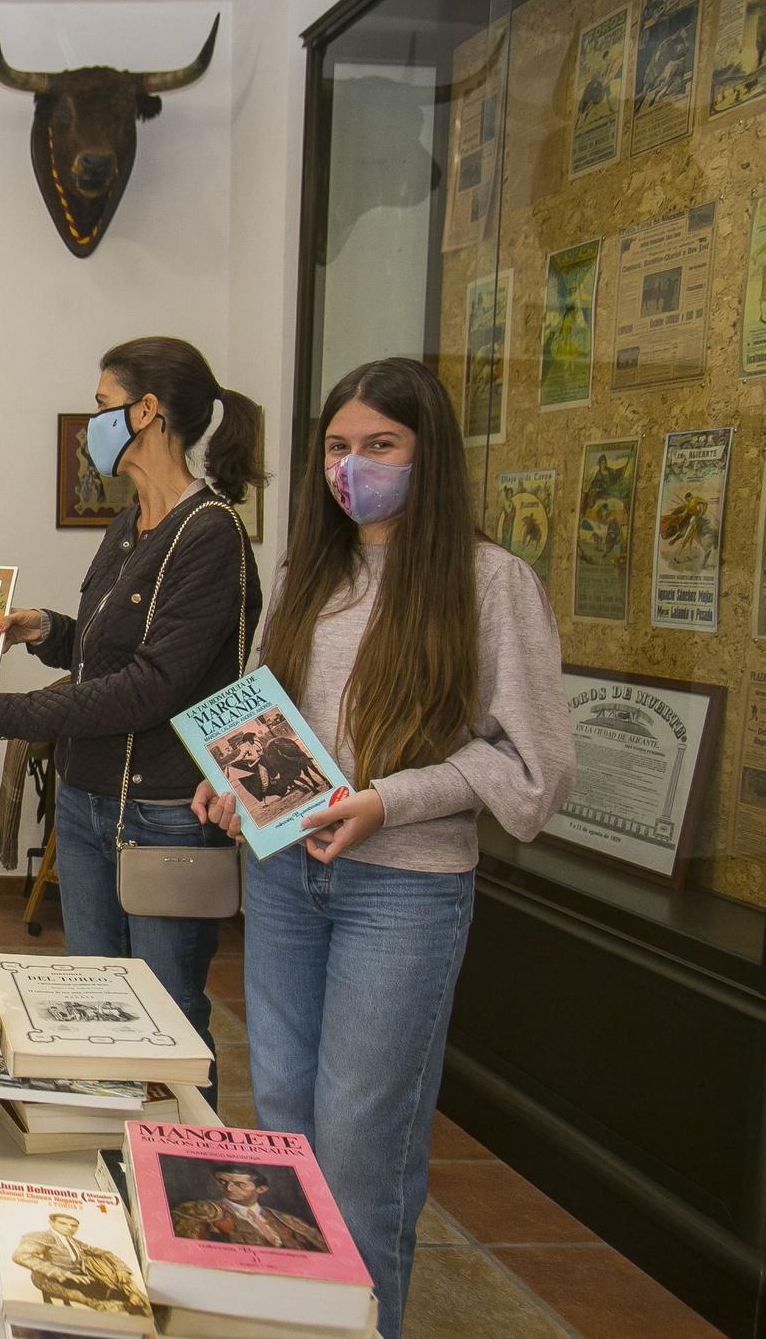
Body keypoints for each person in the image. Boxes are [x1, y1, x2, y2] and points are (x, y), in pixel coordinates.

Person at [194, 356, 574, 1339]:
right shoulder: (303, 571)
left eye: (378, 446)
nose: (350, 466)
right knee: (277, 1125)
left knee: (361, 1149)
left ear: (426, 455)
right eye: (334, 447)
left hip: (401, 892)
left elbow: (530, 772)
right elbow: (268, 712)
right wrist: (233, 779)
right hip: (282, 880)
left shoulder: (492, 585)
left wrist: (387, 801)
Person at [0, 338, 263, 1106]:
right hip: (87, 805)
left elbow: (150, 687)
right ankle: (111, 1170)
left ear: (146, 411)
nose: (93, 425)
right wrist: (43, 628)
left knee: (170, 1021)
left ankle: (177, 1181)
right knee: (99, 1008)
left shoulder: (211, 534)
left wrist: (3, 712)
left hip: (163, 816)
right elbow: (104, 650)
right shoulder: (129, 526)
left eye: (100, 406)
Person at [10, 1212, 151, 1314]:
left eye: (74, 1226)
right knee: (95, 1296)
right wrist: (62, 1273)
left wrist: (121, 1269)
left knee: (103, 1269)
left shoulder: (75, 1242)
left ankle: (129, 1298)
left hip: (81, 1277)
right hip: (52, 1278)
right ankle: (123, 1303)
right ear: (51, 1222)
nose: (69, 1228)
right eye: (63, 1223)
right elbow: (21, 1255)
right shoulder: (42, 1237)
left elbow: (106, 1253)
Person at [171, 1165, 326, 1250]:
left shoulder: (286, 1220)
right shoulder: (201, 1211)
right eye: (223, 1182)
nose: (229, 1188)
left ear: (261, 1189)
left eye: (239, 1184)